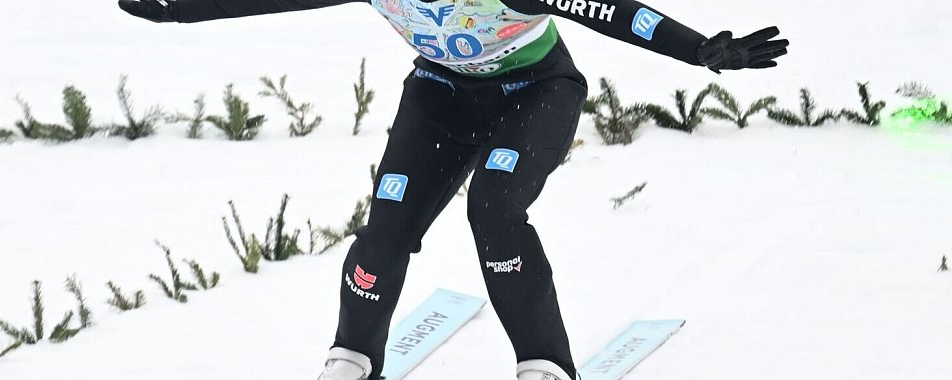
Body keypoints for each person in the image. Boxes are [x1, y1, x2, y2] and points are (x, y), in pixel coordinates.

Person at [118, 1, 788, 379]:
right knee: (384, 231)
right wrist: (179, 10)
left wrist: (702, 50)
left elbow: (608, 7)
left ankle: (544, 366)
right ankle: (351, 358)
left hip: (535, 93)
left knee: (493, 206)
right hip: (440, 96)